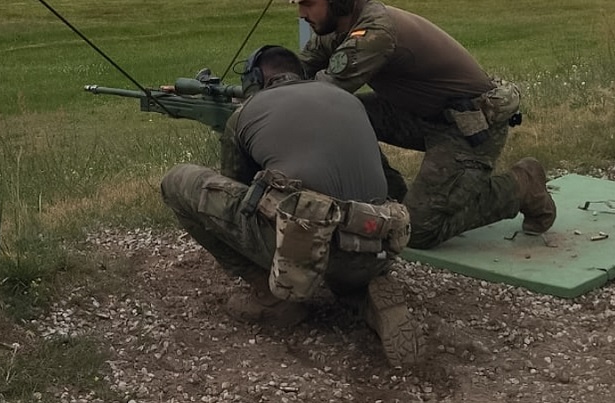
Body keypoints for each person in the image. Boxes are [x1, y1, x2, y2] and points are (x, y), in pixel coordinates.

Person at [274, 0, 556, 250]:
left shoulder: (374, 32)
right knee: (345, 114)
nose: (302, 13)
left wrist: (268, 107)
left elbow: (321, 93)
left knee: (418, 232)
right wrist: (267, 80)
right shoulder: (337, 28)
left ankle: (523, 184)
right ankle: (390, 195)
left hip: (466, 128)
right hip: (422, 114)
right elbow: (302, 69)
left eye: (308, 2)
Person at [160, 45, 420, 365]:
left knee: (177, 181)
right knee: (343, 240)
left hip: (304, 248)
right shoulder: (348, 100)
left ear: (255, 80)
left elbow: (236, 193)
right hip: (378, 241)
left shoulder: (246, 113)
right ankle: (365, 293)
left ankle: (270, 296)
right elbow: (393, 184)